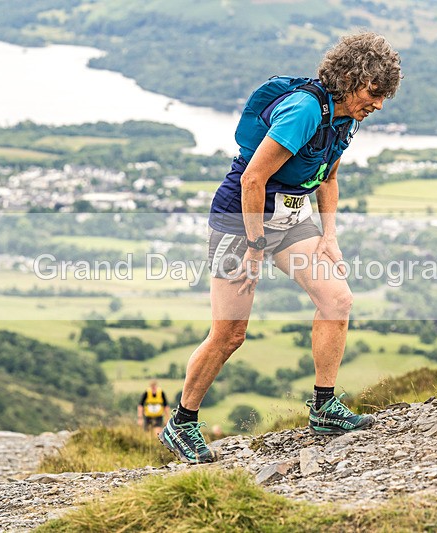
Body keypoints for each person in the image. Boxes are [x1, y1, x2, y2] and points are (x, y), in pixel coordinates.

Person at [159, 32, 401, 463]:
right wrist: (254, 247)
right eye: (374, 92)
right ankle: (181, 422)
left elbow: (327, 177)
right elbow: (252, 179)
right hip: (242, 218)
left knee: (337, 299)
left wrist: (329, 235)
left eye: (384, 96)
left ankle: (324, 407)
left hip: (289, 218)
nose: (379, 104)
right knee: (230, 334)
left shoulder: (346, 118)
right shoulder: (304, 110)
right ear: (350, 79)